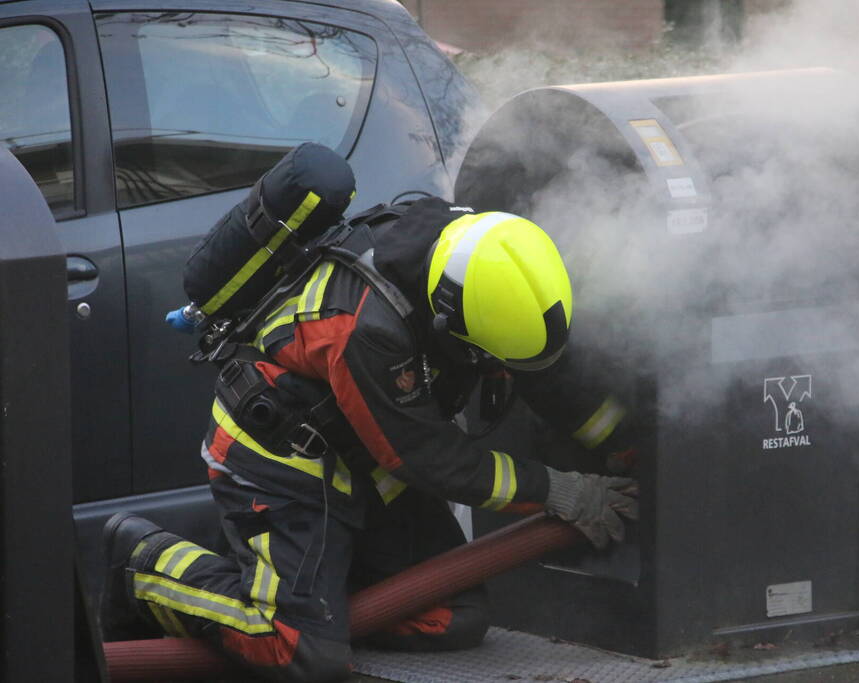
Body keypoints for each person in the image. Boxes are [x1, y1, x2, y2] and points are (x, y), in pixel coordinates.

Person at [102, 196, 638, 682]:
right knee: (297, 651)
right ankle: (142, 564)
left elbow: (536, 365)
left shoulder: (476, 260)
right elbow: (430, 460)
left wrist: (624, 444)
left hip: (362, 458)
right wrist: (559, 491)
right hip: (284, 460)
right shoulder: (367, 330)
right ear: (448, 321)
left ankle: (313, 601)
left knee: (451, 615)